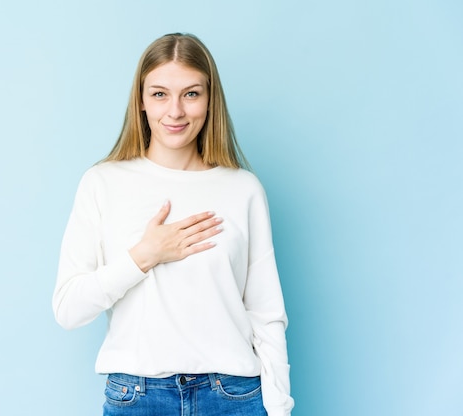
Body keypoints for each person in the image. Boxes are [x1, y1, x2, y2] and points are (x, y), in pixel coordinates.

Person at [53, 33, 294, 416]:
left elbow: (266, 313)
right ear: (142, 101)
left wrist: (279, 407)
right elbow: (68, 308)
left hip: (232, 396)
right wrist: (143, 256)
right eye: (160, 94)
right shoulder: (103, 183)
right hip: (137, 397)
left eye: (192, 94)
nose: (176, 112)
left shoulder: (242, 189)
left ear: (210, 100)